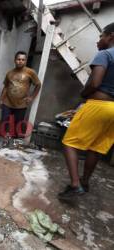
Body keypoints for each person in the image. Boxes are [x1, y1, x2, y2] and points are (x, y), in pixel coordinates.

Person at [58, 22, 114, 200]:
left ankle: (75, 185)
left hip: (100, 106)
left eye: (101, 36)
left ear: (111, 36)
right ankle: (85, 181)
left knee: (69, 142)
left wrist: (84, 94)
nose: (99, 40)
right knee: (95, 147)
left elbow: (95, 83)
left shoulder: (105, 54)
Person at [0, 51, 41, 148]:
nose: (20, 61)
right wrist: (1, 99)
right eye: (18, 59)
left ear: (25, 61)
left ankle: (11, 141)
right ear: (15, 60)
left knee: (17, 123)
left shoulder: (30, 72)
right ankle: (2, 140)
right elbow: (6, 87)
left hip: (21, 104)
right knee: (4, 121)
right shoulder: (10, 73)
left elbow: (38, 85)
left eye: (23, 60)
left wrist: (32, 97)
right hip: (7, 102)